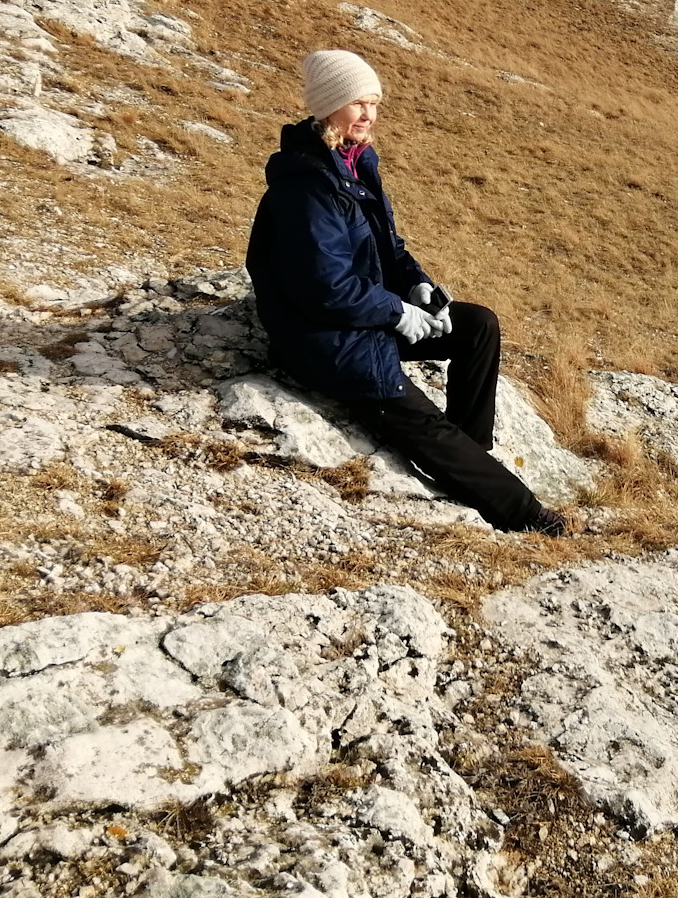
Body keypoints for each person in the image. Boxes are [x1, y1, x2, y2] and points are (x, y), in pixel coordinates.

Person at [245, 48, 582, 536]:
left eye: (375, 104)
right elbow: (324, 289)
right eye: (357, 103)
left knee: (477, 325)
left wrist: (417, 286)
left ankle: (468, 455)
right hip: (325, 340)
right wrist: (396, 311)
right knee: (418, 420)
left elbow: (388, 247)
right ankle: (528, 517)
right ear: (328, 107)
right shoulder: (306, 187)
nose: (369, 115)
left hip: (363, 317)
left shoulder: (353, 163)